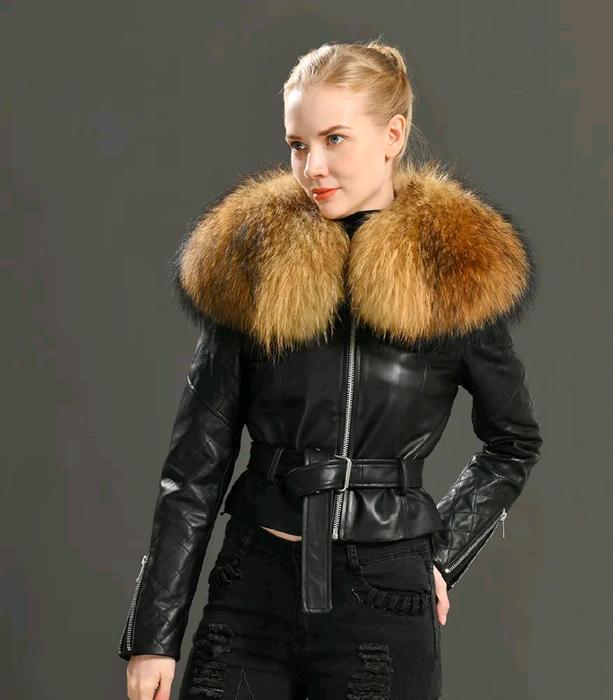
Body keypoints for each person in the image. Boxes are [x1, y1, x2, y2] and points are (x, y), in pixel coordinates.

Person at [119, 40, 543, 700]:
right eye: (297, 144)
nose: (311, 166)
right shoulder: (252, 263)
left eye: (334, 139)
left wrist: (442, 555)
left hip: (383, 603)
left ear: (393, 136)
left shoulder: (452, 271)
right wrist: (154, 633)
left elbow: (512, 441)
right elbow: (194, 469)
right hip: (250, 593)